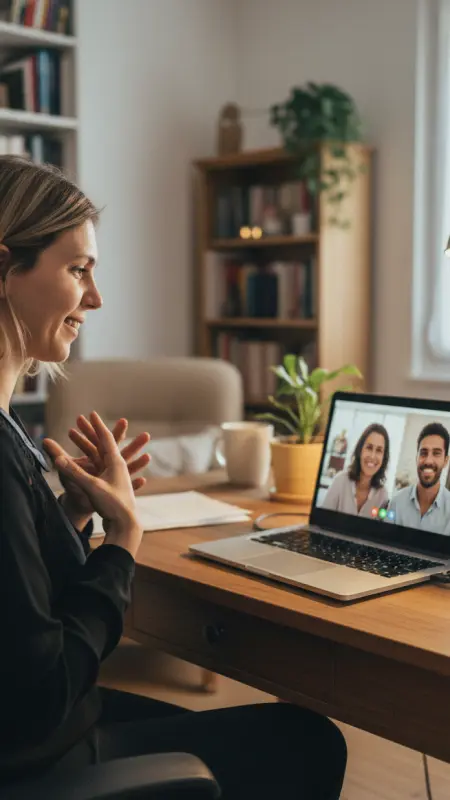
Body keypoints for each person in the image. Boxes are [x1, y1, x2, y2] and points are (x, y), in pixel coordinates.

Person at [0, 156, 347, 799]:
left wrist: (70, 517)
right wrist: (123, 538)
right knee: (308, 741)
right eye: (78, 270)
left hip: (35, 741)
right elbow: (45, 693)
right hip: (45, 760)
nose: (96, 298)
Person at [388, 422, 450, 535]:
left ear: (446, 460)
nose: (428, 461)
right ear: (417, 457)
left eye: (436, 453)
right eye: (423, 453)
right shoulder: (397, 502)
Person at [322, 423, 390, 517]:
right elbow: (322, 520)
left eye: (379, 450)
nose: (372, 456)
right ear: (360, 450)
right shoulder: (340, 481)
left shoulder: (383, 496)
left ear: (384, 458)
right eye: (369, 448)